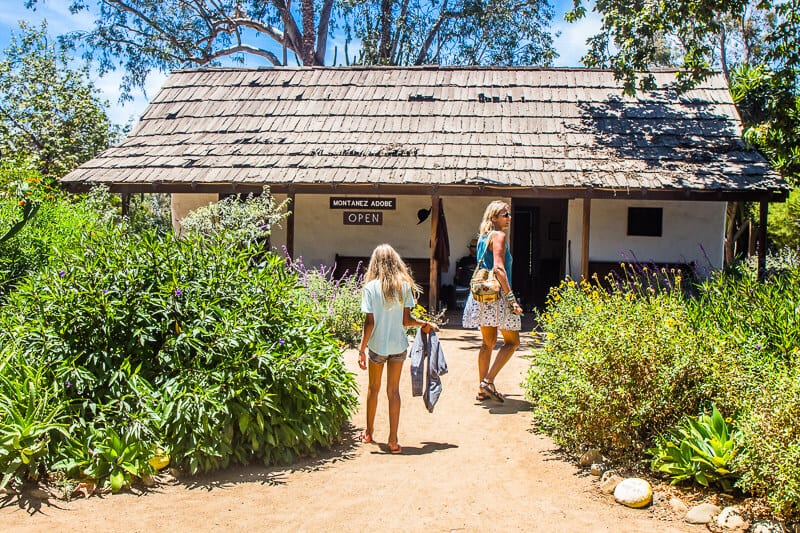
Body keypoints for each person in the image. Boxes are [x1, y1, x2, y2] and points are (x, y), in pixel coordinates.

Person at [357, 244, 439, 454]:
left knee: (373, 390)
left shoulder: (371, 288)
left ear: (374, 263)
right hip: (398, 346)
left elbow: (369, 323)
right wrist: (424, 323)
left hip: (377, 346)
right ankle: (393, 441)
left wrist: (361, 349)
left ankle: (368, 432)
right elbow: (406, 320)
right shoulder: (403, 286)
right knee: (393, 391)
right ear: (396, 262)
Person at [462, 200, 523, 403]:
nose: (509, 218)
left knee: (487, 343)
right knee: (512, 342)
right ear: (494, 217)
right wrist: (511, 298)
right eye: (505, 214)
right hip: (498, 296)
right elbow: (498, 268)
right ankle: (487, 381)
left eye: (509, 214)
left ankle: (482, 389)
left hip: (482, 296)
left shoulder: (482, 238)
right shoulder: (499, 236)